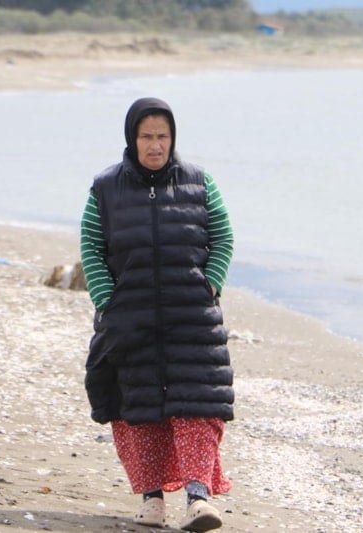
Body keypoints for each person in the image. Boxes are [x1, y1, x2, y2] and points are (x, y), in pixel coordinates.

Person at [80, 97, 234, 532]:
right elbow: (91, 246)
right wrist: (107, 299)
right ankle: (152, 500)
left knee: (198, 405)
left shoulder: (199, 181)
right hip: (129, 318)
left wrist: (210, 283)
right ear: (132, 139)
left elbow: (223, 237)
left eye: (162, 136)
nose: (155, 145)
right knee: (138, 407)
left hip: (192, 317)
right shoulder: (106, 188)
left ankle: (199, 499)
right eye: (146, 136)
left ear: (173, 138)